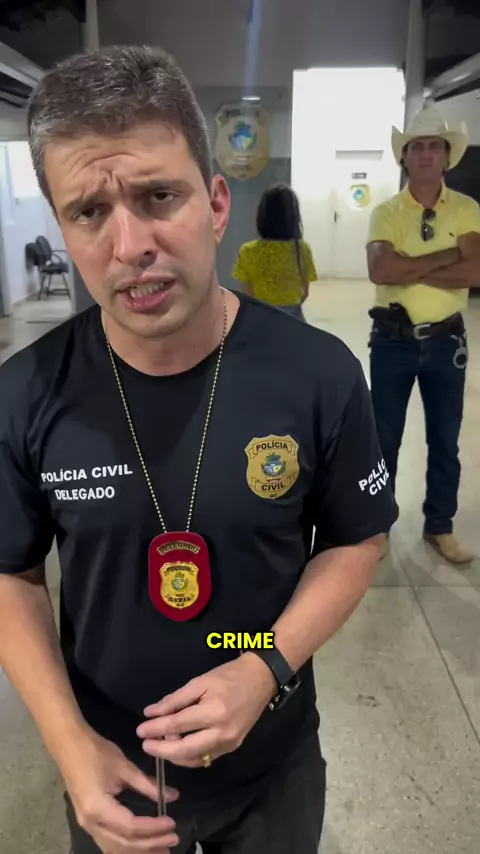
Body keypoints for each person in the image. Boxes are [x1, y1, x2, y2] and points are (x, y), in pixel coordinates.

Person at [0, 46, 398, 854]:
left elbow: (357, 539)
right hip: (113, 767)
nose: (130, 245)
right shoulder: (24, 392)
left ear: (216, 205)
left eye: (159, 196)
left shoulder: (318, 374)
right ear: (64, 229)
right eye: (89, 212)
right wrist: (68, 746)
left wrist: (264, 666)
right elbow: (11, 574)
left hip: (273, 765)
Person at [367, 105, 480, 566]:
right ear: (405, 157)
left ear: (447, 156)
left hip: (446, 342)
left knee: (445, 440)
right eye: (418, 147)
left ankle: (440, 526)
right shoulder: (386, 212)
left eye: (435, 146)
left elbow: (475, 270)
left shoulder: (467, 209)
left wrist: (410, 268)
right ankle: (378, 525)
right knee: (383, 438)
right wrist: (448, 256)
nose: (427, 153)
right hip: (392, 341)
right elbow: (380, 269)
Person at [232, 182, 317, 320]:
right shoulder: (302, 249)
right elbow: (305, 293)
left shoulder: (247, 251)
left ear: (262, 215)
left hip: (260, 317)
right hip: (293, 319)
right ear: (294, 217)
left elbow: (247, 295)